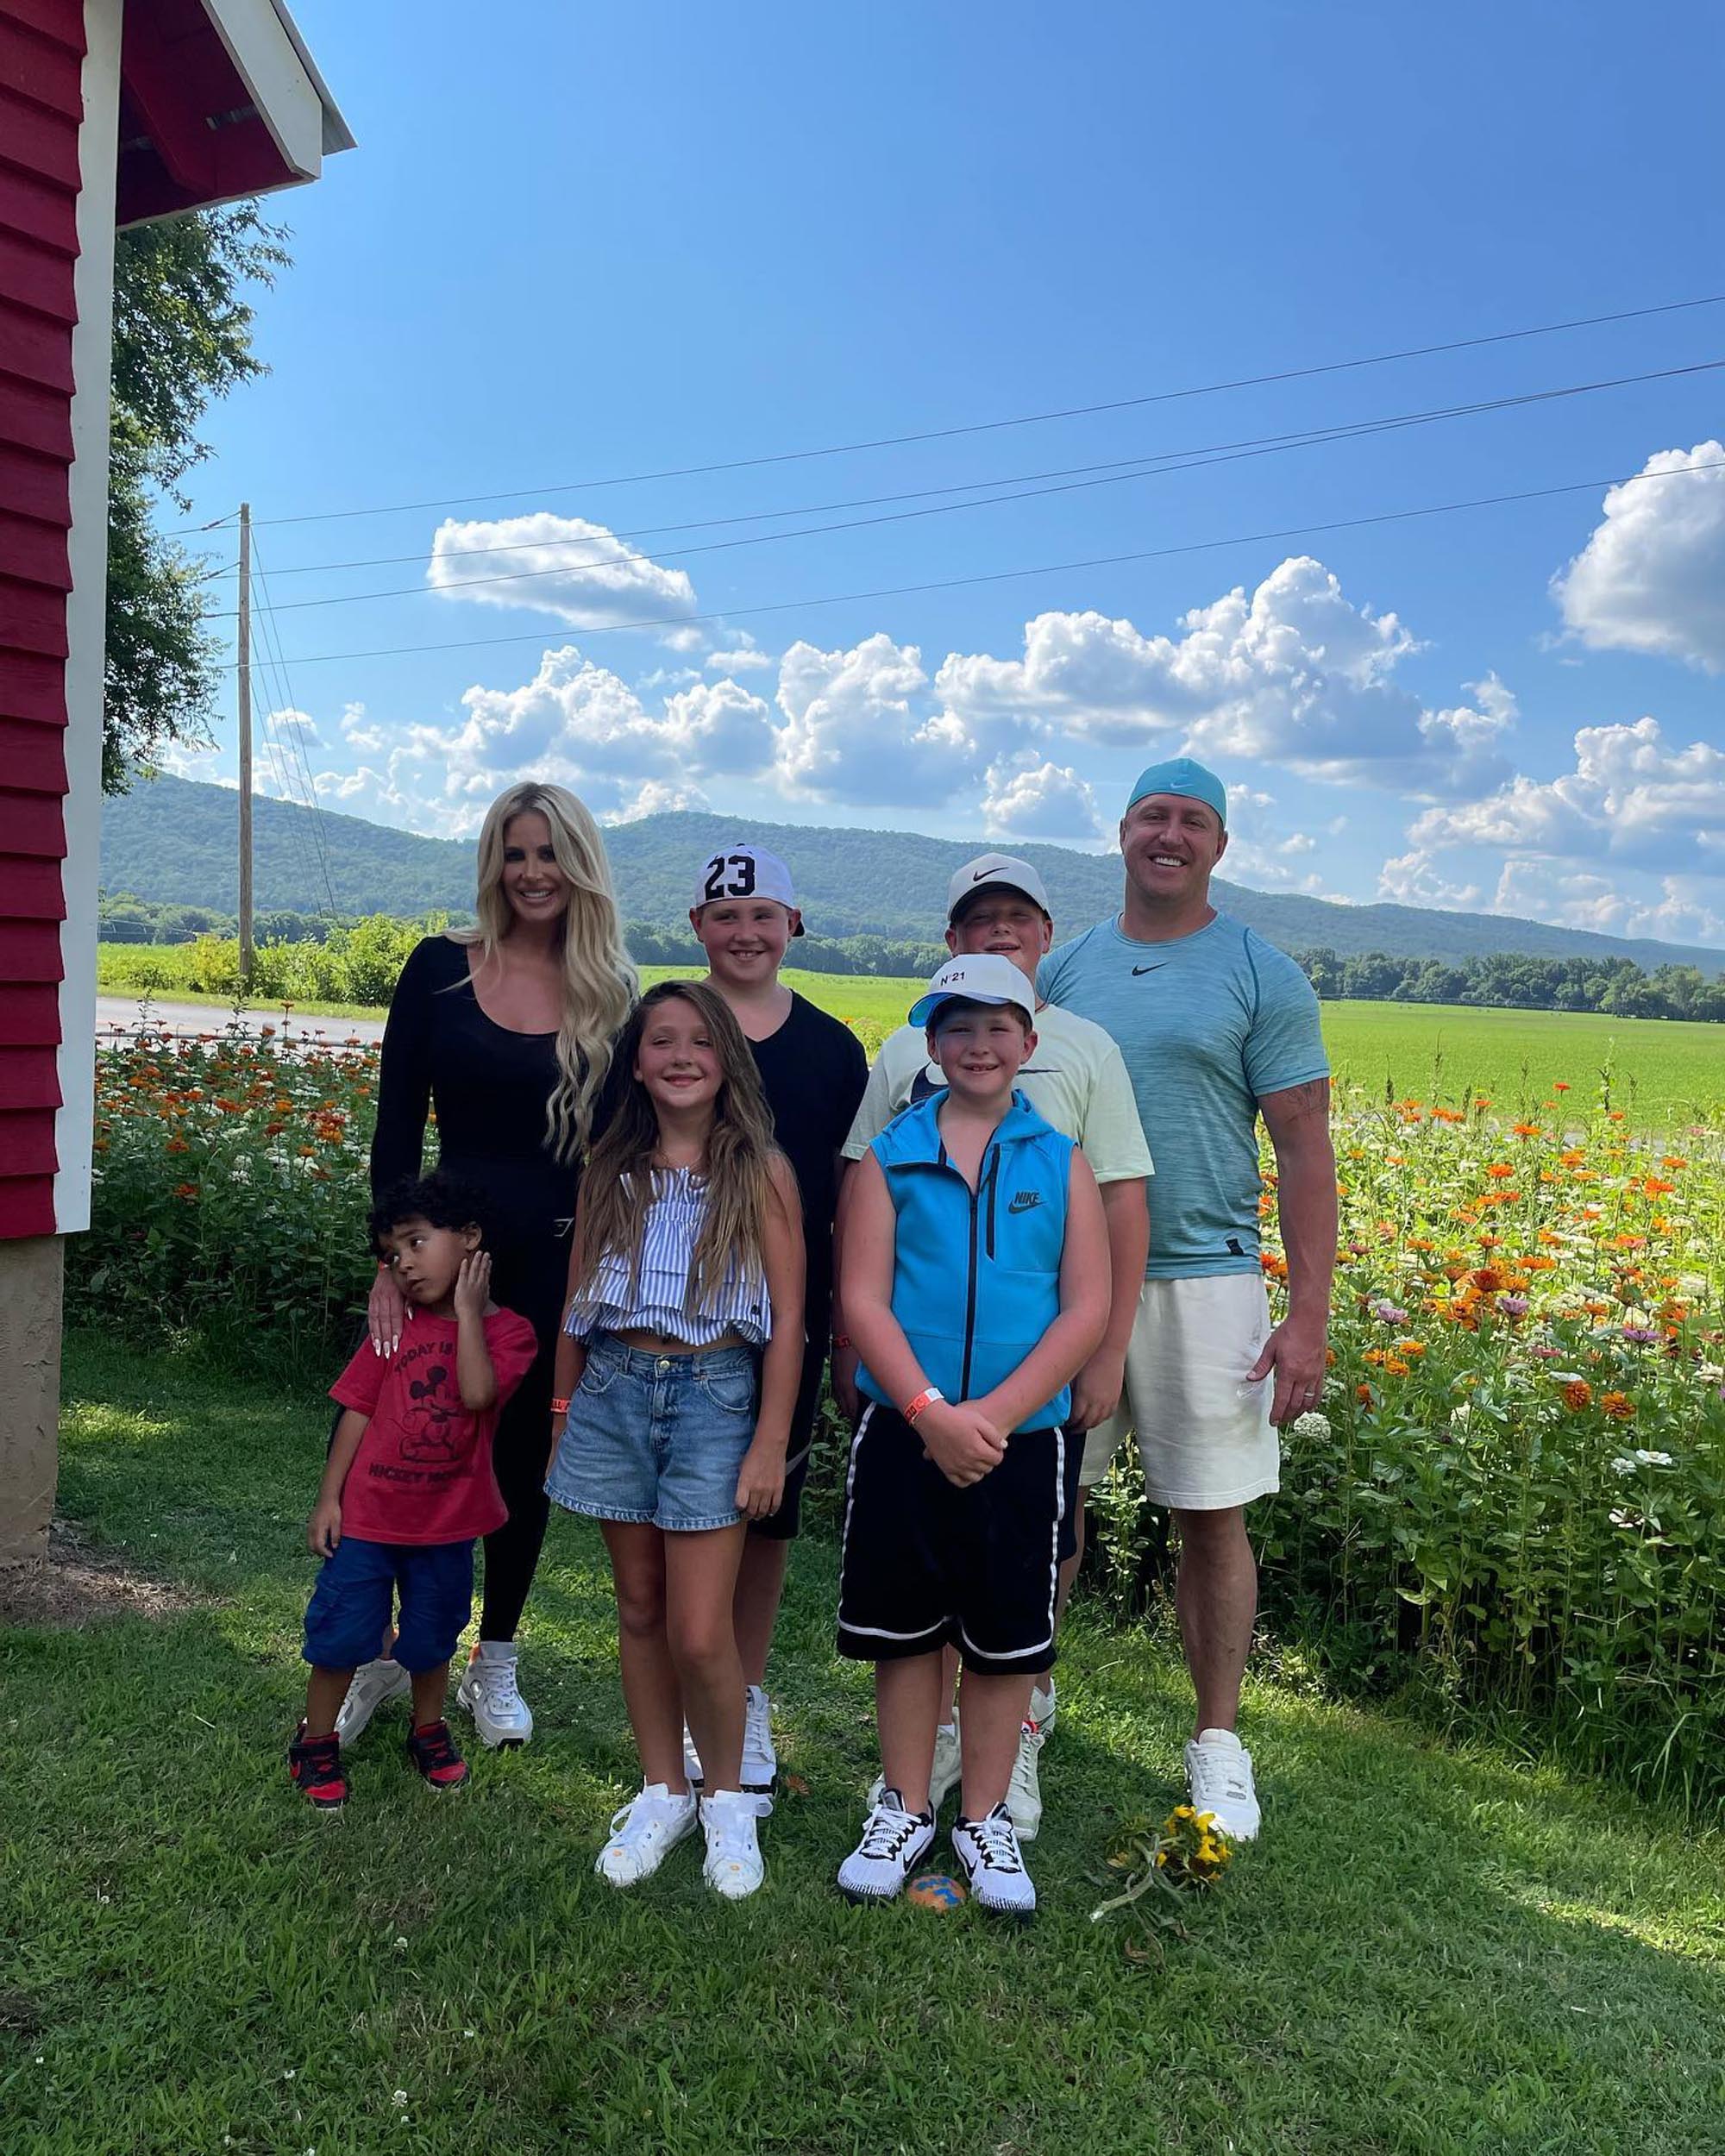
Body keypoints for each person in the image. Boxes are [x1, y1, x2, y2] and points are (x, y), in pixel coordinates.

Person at [1038, 757, 1337, 1842]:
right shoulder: (1062, 968)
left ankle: (1216, 1743)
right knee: (1045, 1505)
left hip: (1206, 1275)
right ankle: (1019, 1706)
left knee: (1211, 1516)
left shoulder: (1260, 970)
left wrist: (1305, 1316)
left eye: (1193, 821)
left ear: (1218, 845)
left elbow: (1304, 1148)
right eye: (1153, 816)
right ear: (1120, 832)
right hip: (1065, 1278)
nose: (1170, 834)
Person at [837, 853, 1151, 1838]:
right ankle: (902, 1802)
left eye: (997, 1028)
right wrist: (930, 1413)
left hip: (1020, 1435)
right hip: (909, 1423)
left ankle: (983, 1811)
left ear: (1029, 1040)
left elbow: (1082, 1305)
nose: (978, 1045)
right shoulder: (891, 1155)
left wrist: (995, 1418)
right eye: (957, 1028)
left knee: (1008, 1636)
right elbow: (862, 1294)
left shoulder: (1058, 1159)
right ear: (929, 1044)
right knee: (905, 1627)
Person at [338, 783, 636, 1753]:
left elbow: (616, 1155)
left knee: (518, 1464)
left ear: (579, 865)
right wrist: (389, 1260)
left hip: (552, 1264)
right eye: (515, 853)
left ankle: (492, 1656)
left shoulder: (610, 992)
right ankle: (388, 1652)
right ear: (493, 863)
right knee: (409, 1442)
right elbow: (393, 1132)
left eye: (550, 853)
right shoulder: (438, 970)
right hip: (434, 1260)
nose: (533, 871)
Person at [546, 981, 805, 1900]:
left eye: (700, 1039)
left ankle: (726, 1797)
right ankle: (661, 1788)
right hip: (616, 1389)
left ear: (725, 1058)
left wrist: (770, 1438)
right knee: (640, 1607)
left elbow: (785, 1321)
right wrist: (562, 1410)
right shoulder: (611, 1166)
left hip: (715, 1395)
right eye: (662, 1041)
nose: (681, 1055)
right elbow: (575, 1306)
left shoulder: (760, 1171)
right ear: (639, 1061)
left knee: (702, 1630)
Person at [687, 843, 867, 1799]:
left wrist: (839, 1330)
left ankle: (743, 1694)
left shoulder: (834, 1049)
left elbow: (847, 1203)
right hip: (673, 1318)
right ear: (696, 928)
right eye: (725, 914)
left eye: (762, 914)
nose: (745, 931)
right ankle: (691, 1702)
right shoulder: (668, 1028)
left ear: (792, 925)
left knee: (764, 1518)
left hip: (785, 1322)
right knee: (681, 1510)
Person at [288, 1174, 539, 1808]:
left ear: (471, 1240)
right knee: (342, 1632)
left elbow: (479, 1395)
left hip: (447, 1525)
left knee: (432, 1634)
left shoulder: (511, 1334)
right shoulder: (393, 1324)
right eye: (393, 1254)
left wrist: (463, 1315)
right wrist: (329, 1498)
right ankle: (315, 1742)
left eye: (417, 1242)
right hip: (369, 1520)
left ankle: (428, 1729)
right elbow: (358, 1409)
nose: (403, 1263)